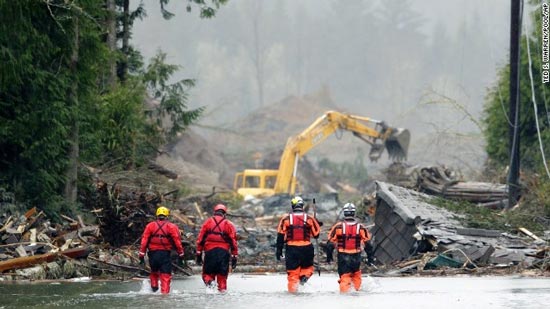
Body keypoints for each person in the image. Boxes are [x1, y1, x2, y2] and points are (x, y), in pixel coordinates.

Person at [276, 196, 321, 293]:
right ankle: (303, 278)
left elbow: (280, 235)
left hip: (291, 249)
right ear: (302, 206)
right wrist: (316, 223)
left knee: (292, 274)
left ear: (293, 206)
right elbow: (316, 235)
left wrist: (278, 250)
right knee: (307, 268)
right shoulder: (309, 218)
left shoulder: (286, 219)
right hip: (306, 248)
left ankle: (293, 294)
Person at [325, 202, 374, 293]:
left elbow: (329, 244)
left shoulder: (338, 227)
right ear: (354, 213)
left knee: (345, 277)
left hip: (343, 257)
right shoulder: (361, 227)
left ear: (344, 212)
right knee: (356, 275)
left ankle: (345, 297)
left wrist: (329, 258)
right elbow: (368, 244)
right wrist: (370, 259)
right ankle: (355, 294)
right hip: (356, 257)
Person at [139, 205, 185, 294]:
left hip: (152, 254)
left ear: (157, 215)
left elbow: (144, 241)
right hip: (165, 254)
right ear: (167, 216)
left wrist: (141, 255)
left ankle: (154, 289)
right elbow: (177, 241)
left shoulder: (150, 226)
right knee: (165, 275)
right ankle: (164, 295)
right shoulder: (171, 227)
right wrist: (181, 254)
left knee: (154, 272)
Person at [195, 203, 239, 293]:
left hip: (210, 252)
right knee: (222, 277)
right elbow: (233, 242)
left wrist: (198, 254)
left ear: (215, 212)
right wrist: (234, 257)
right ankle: (222, 295)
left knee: (207, 274)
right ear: (224, 214)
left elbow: (200, 239)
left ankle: (210, 283)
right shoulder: (228, 224)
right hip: (224, 253)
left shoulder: (208, 222)